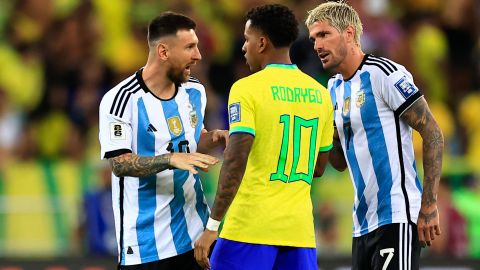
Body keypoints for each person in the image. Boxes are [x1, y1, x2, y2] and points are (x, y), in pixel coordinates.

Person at [305, 2, 444, 270]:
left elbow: (433, 132)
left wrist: (428, 205)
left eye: (324, 35)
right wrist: (330, 133)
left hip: (396, 214)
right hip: (362, 223)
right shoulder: (333, 89)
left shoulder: (384, 74)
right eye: (313, 39)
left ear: (348, 34)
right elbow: (339, 162)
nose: (317, 46)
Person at [194, 4, 334, 270]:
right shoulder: (321, 94)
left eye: (247, 40)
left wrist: (212, 227)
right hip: (299, 233)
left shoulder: (246, 89)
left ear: (261, 42)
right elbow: (318, 167)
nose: (243, 47)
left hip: (249, 228)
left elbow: (235, 160)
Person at [98, 12, 228, 270]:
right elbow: (120, 164)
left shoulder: (194, 90)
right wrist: (171, 160)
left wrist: (211, 138)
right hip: (146, 245)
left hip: (196, 234)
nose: (198, 55)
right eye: (190, 47)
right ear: (163, 52)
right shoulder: (121, 100)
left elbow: (189, 140)